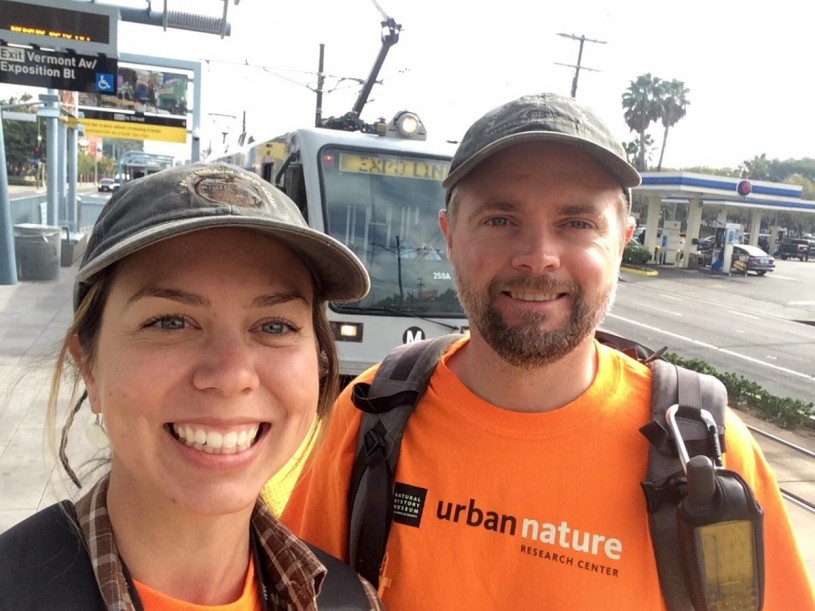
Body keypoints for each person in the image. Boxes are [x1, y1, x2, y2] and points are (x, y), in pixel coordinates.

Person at [282, 94, 815, 609]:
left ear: (623, 240)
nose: (538, 258)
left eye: (577, 223)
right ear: (449, 235)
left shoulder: (705, 447)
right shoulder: (372, 413)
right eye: (499, 220)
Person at [0, 163, 383, 610]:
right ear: (88, 365)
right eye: (170, 321)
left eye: (275, 325)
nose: (232, 375)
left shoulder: (349, 602)